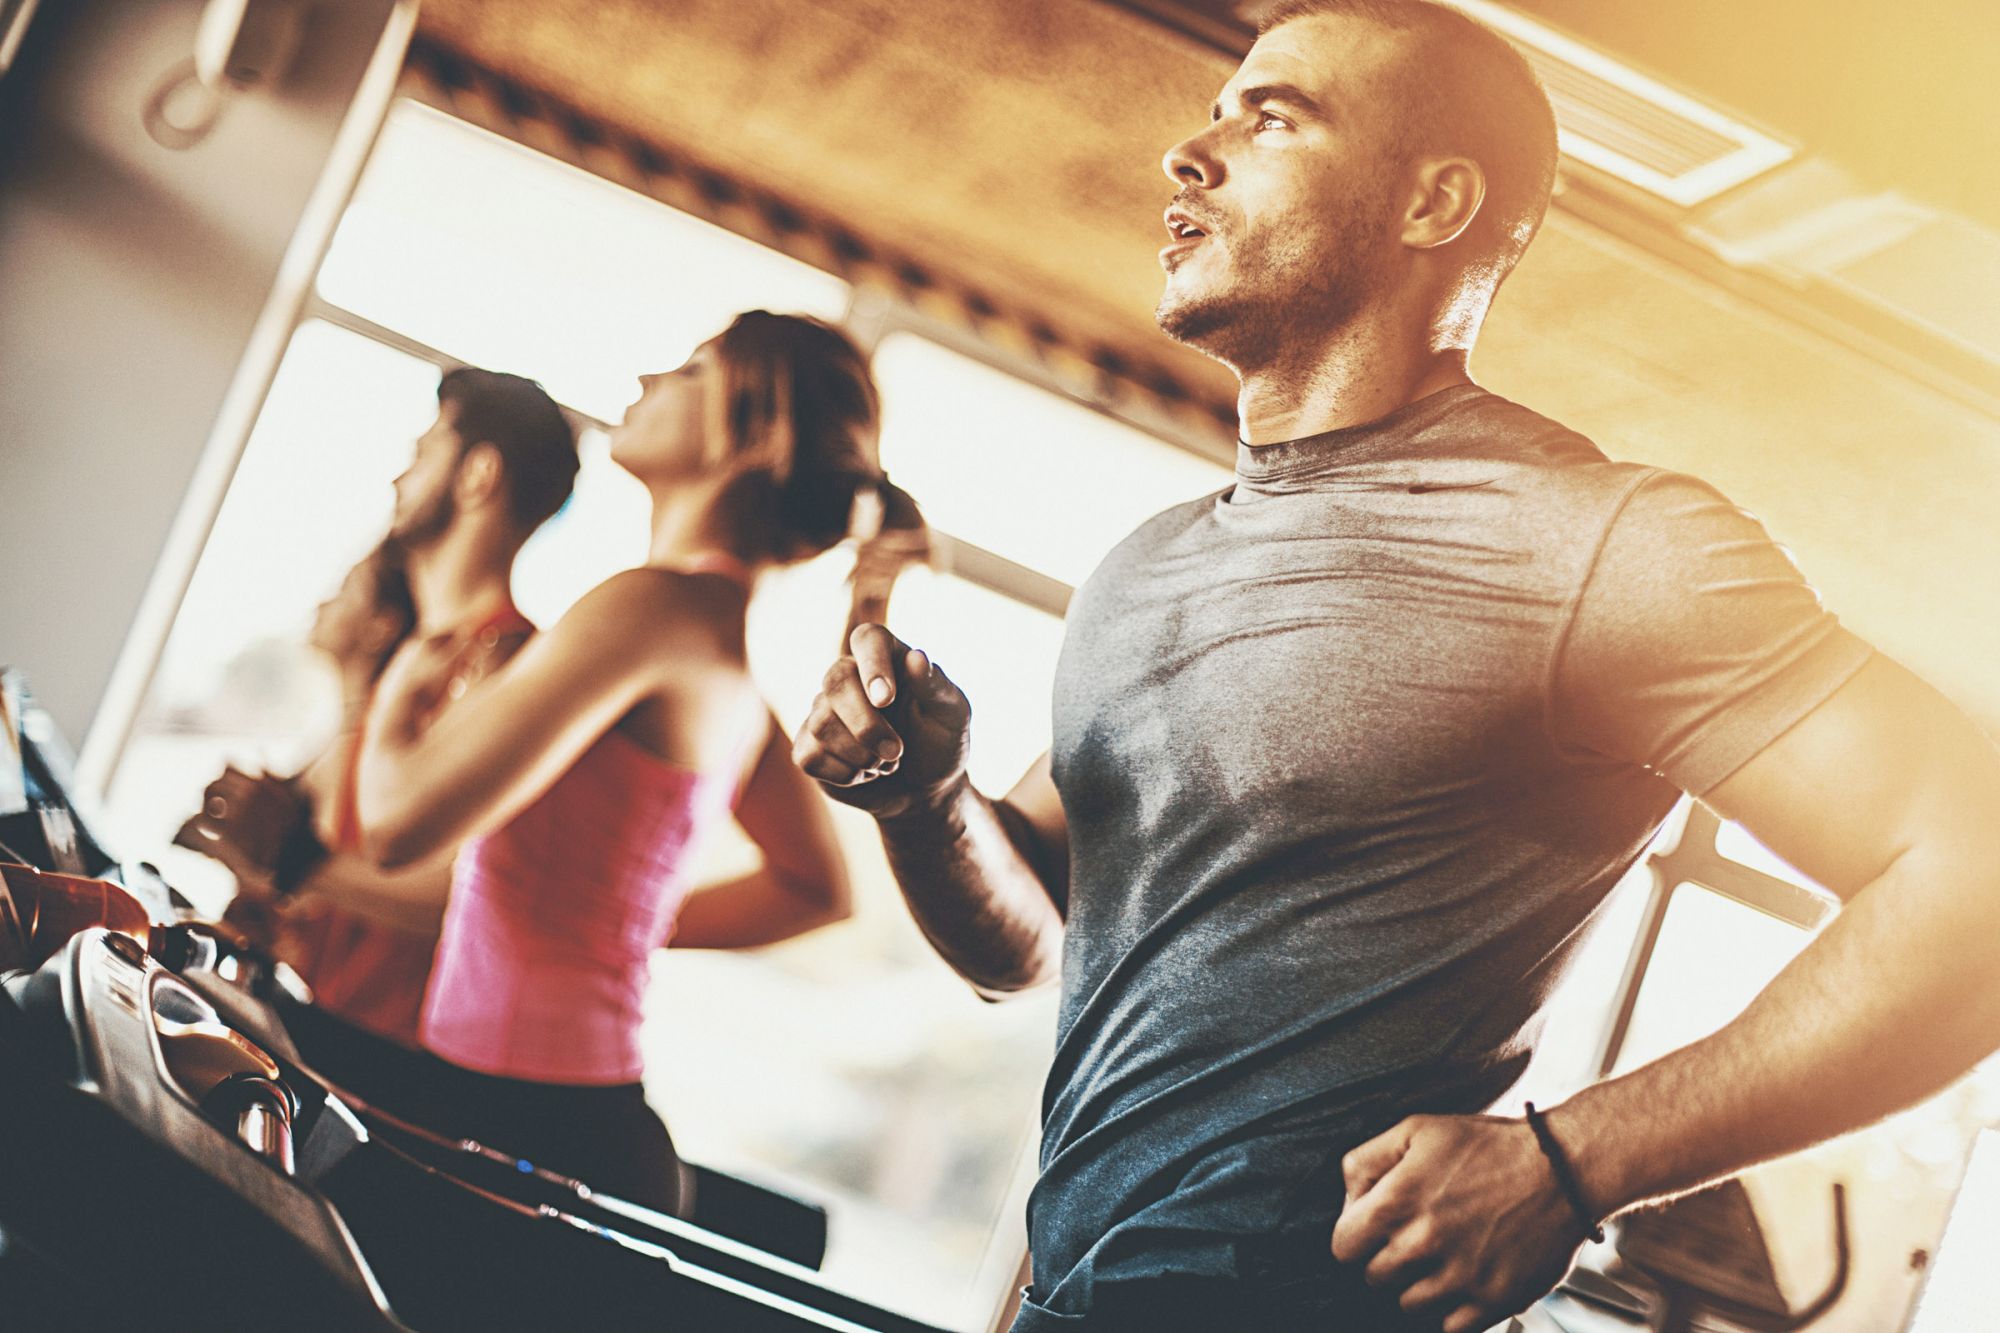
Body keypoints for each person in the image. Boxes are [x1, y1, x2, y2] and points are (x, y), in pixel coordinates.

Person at [790, 3, 2000, 1330]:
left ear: (1434, 202)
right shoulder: (1149, 570)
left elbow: (1976, 885)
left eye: (1271, 117)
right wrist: (924, 799)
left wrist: (1575, 1162)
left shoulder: (1598, 544)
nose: (1186, 157)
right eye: (1214, 113)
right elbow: (1027, 941)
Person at [352, 311, 927, 1216]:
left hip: (530, 1127)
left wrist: (393, 698)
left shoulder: (650, 608)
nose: (652, 379)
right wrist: (607, 926)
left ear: (754, 431)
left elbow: (394, 825)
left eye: (692, 369)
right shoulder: (720, 652)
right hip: (560, 1117)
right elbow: (816, 888)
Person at [177, 367, 577, 1061]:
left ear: (478, 474)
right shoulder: (412, 655)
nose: (400, 478)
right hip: (293, 1022)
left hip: (370, 1057)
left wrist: (291, 858)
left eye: (424, 453)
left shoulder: (511, 668)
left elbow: (476, 890)